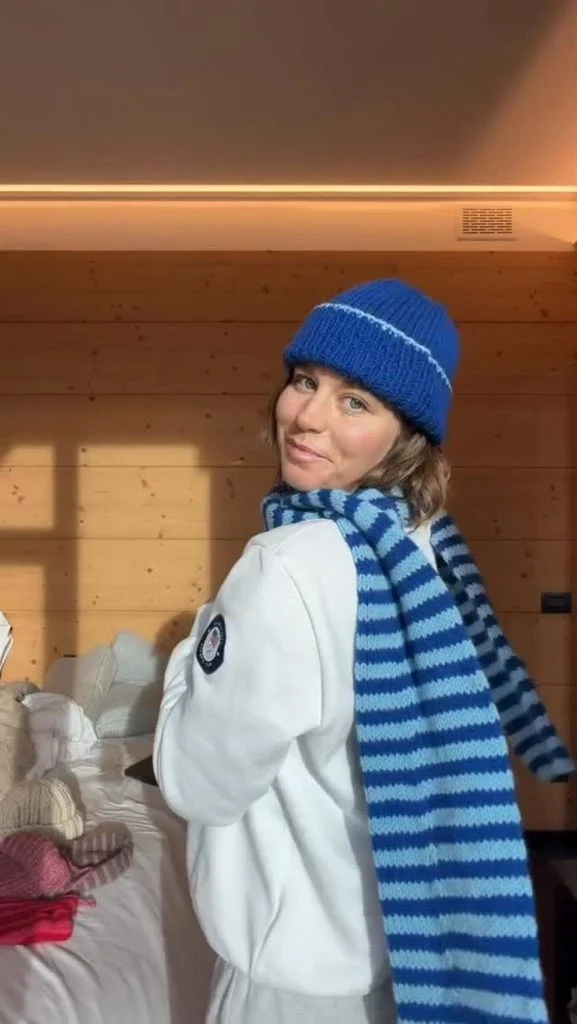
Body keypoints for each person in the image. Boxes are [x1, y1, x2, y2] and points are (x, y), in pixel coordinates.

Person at [153, 279, 573, 1024]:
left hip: (288, 994)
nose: (306, 416)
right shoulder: (421, 551)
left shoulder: (284, 566)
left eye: (355, 402)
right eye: (304, 381)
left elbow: (199, 785)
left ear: (404, 435)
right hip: (406, 967)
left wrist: (193, 641)